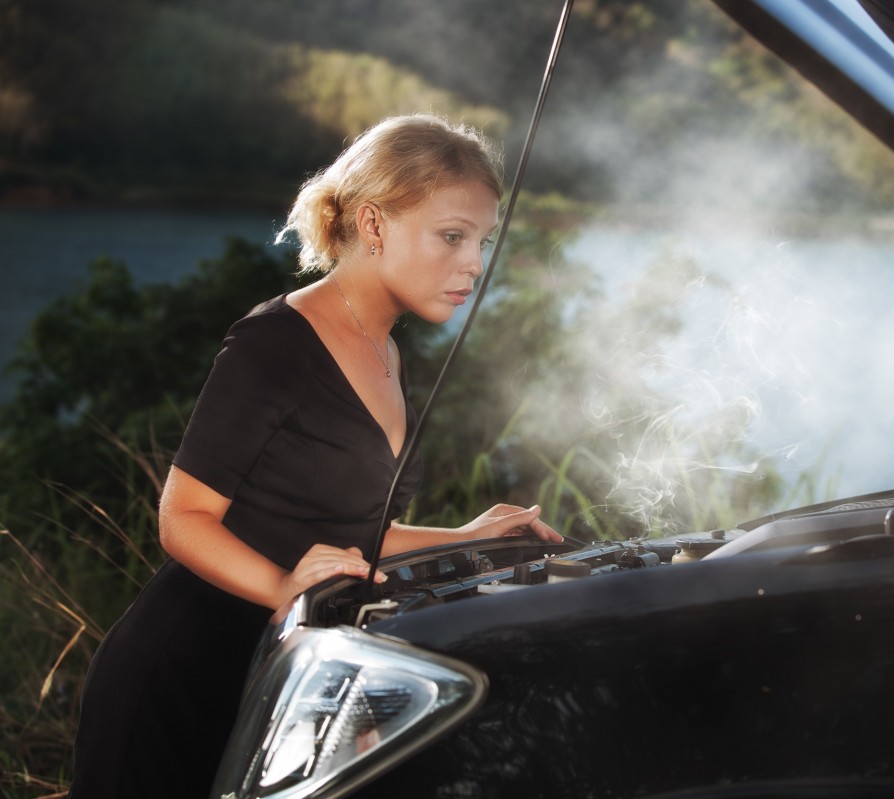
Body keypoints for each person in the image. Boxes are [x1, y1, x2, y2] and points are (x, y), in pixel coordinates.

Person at [68, 113, 563, 799]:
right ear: (373, 225)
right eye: (452, 236)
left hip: (280, 682)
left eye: (481, 240)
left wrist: (465, 537)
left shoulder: (387, 350)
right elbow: (182, 517)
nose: (475, 263)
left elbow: (340, 533)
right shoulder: (275, 342)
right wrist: (281, 591)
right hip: (182, 676)